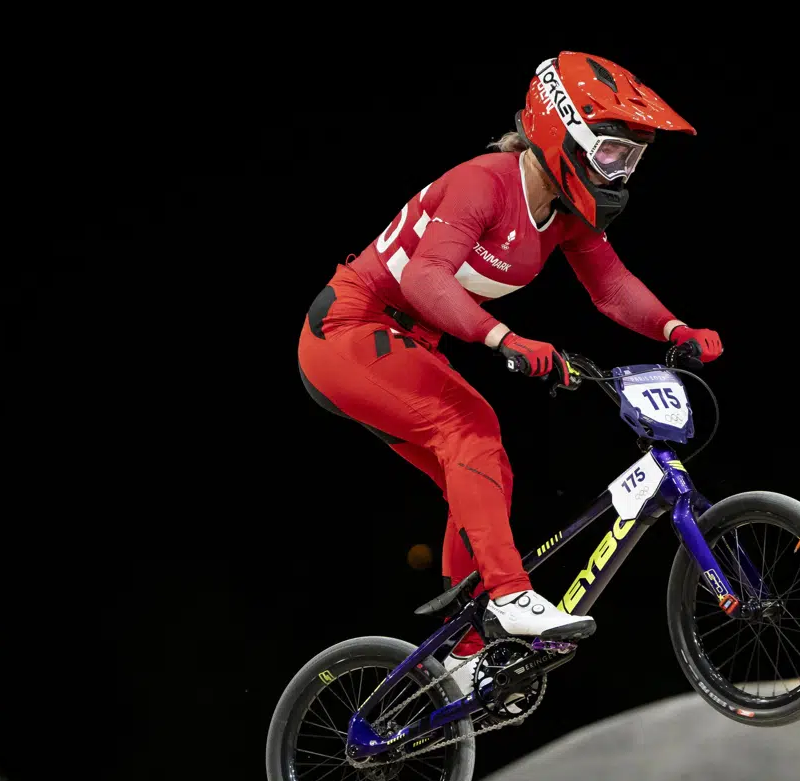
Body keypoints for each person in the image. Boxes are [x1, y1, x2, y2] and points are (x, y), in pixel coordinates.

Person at [296, 52, 724, 689]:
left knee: (484, 475)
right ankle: (509, 595)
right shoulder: (485, 183)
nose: (620, 172)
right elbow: (425, 275)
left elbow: (611, 288)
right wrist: (504, 338)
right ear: (561, 133)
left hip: (406, 341)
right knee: (469, 425)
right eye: (611, 153)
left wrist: (673, 329)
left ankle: (464, 656)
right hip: (349, 328)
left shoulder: (566, 212)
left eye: (631, 159)